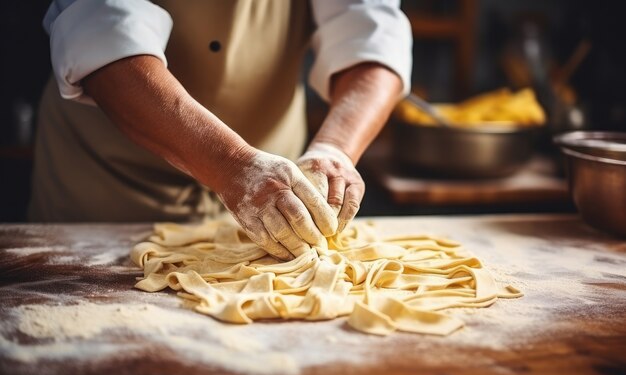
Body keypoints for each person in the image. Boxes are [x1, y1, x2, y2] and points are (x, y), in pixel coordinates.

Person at [30, 0, 412, 260]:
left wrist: (335, 149)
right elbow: (102, 38)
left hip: (278, 183)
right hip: (107, 184)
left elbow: (371, 34)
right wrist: (233, 164)